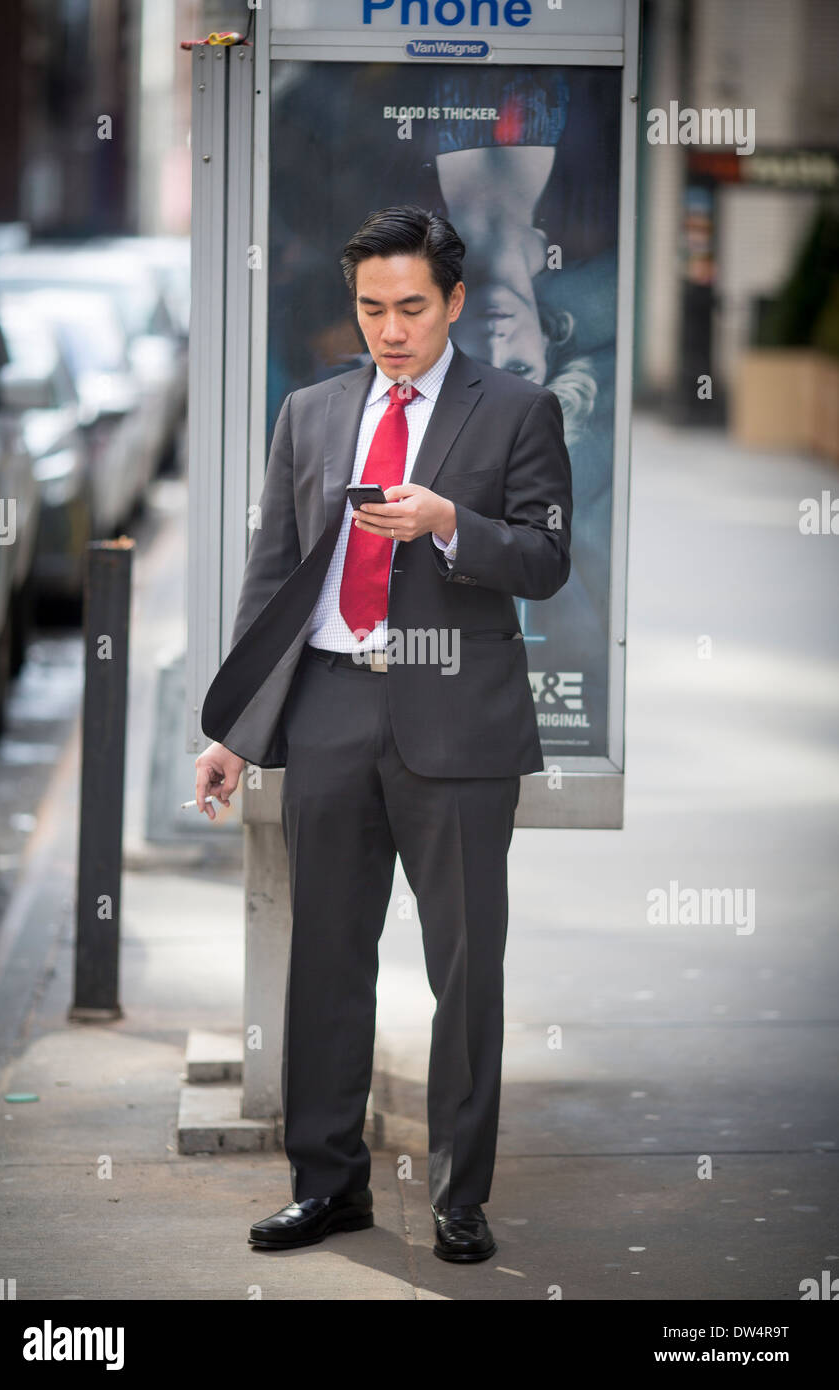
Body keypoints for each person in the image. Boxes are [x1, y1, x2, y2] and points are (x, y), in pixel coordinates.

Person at [194, 205, 572, 1263]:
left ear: (453, 302)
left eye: (411, 306)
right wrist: (233, 728)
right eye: (371, 308)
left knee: (464, 967)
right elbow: (273, 579)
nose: (390, 329)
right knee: (322, 958)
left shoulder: (516, 411)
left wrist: (452, 524)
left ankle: (458, 1195)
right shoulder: (310, 414)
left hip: (456, 717)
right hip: (327, 708)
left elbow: (546, 559)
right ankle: (327, 1185)